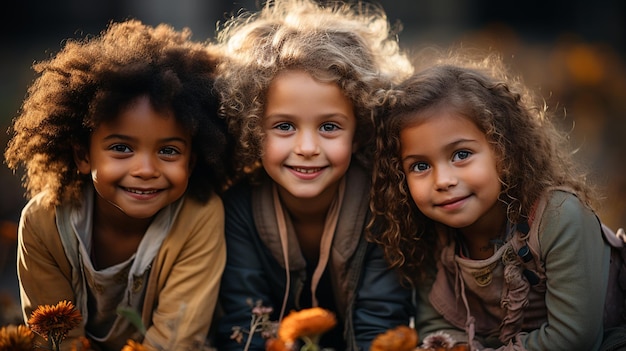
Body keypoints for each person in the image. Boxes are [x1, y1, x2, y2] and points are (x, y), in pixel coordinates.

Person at [369, 49, 623, 350]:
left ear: (504, 150)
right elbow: (436, 327)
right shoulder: (428, 231)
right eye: (420, 166)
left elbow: (574, 338)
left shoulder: (559, 216)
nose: (443, 181)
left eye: (461, 155)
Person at [4, 19, 233, 351]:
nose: (145, 169)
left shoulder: (199, 217)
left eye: (168, 151)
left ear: (192, 162)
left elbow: (175, 340)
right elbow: (52, 338)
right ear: (83, 156)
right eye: (122, 148)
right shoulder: (43, 224)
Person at [212, 0, 415, 350]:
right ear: (252, 128)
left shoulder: (381, 204)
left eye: (329, 126)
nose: (307, 147)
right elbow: (244, 326)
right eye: (285, 126)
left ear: (360, 128)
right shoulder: (239, 208)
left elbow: (380, 327)